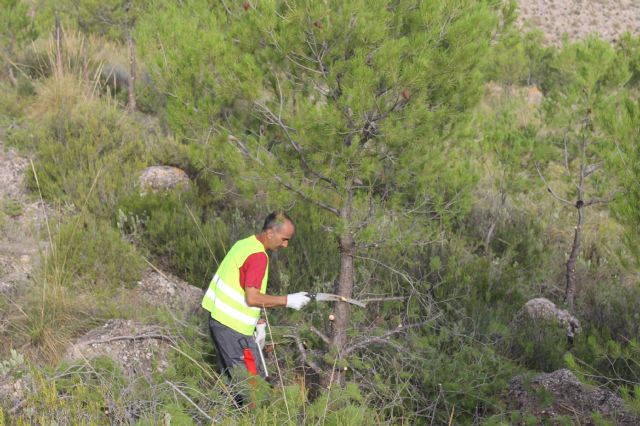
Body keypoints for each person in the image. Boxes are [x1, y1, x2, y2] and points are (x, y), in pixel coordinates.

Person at [201, 211, 311, 382]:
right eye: (284, 238)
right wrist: (288, 300)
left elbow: (237, 285)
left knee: (234, 381)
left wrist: (258, 321)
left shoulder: (244, 244)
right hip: (234, 331)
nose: (286, 245)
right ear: (269, 233)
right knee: (253, 388)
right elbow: (252, 298)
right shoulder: (258, 257)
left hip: (219, 322)